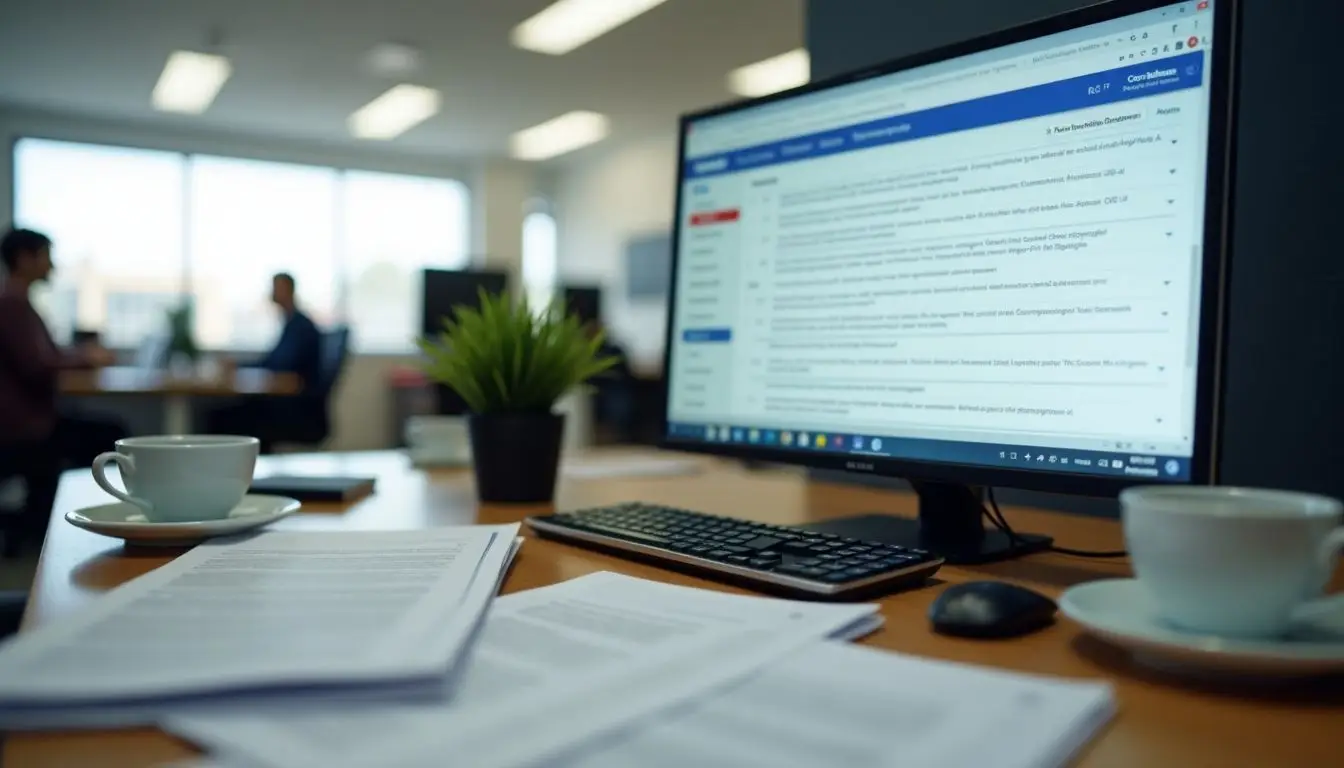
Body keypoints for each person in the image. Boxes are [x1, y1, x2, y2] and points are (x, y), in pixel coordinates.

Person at [0, 227, 128, 549]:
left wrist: (79, 356)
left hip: (27, 419)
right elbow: (37, 366)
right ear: (23, 258)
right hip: (25, 427)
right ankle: (76, 522)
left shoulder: (18, 303)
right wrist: (87, 358)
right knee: (112, 434)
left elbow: (45, 358)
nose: (51, 266)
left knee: (95, 426)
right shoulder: (12, 305)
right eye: (45, 257)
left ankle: (44, 514)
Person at [205, 273, 323, 451]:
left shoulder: (301, 327)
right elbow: (270, 362)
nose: (272, 293)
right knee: (221, 412)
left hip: (294, 408)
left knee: (221, 417)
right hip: (283, 403)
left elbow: (285, 368)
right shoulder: (290, 324)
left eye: (276, 287)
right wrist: (239, 366)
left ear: (289, 290)